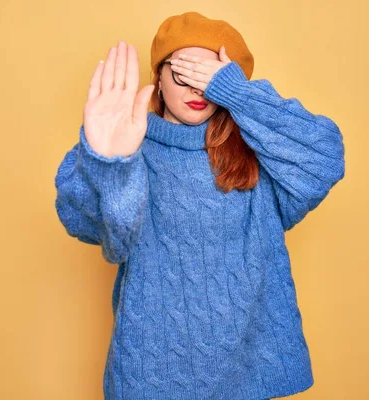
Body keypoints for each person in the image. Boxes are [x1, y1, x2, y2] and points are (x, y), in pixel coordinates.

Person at [54, 11, 345, 400]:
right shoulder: (128, 146)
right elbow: (107, 237)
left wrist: (238, 95)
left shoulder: (259, 155)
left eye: (209, 78)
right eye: (184, 72)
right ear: (158, 76)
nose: (198, 90)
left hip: (249, 375)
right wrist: (108, 163)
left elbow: (325, 158)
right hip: (151, 374)